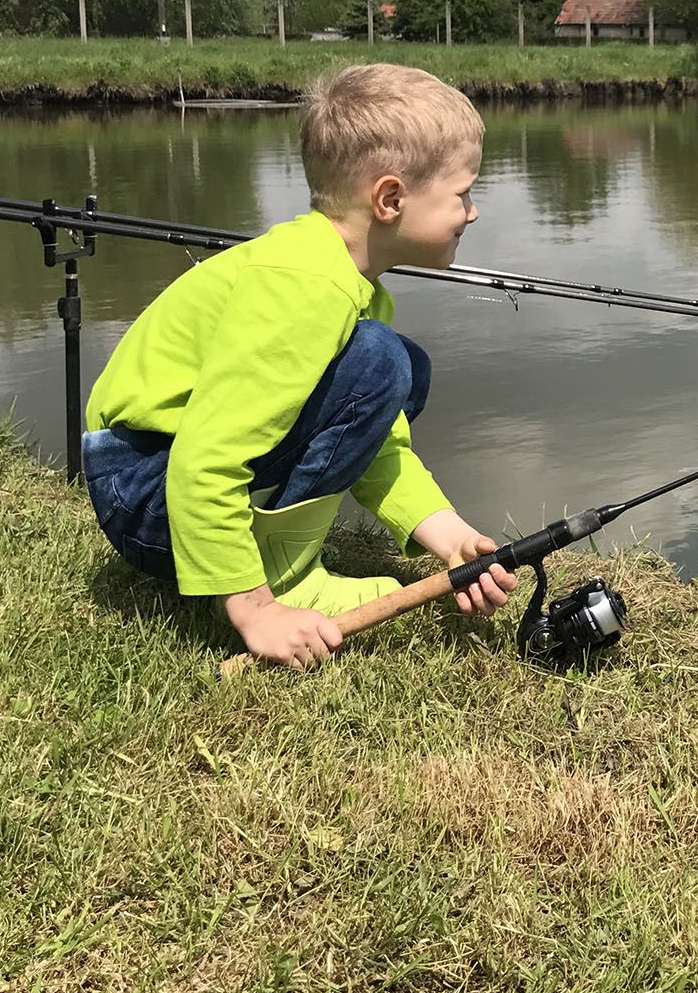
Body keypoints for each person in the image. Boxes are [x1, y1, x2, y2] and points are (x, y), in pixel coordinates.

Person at [81, 64, 515, 669]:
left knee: (391, 367)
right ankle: (281, 582)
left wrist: (451, 538)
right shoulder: (304, 289)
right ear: (390, 199)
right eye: (463, 193)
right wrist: (255, 610)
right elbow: (204, 460)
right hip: (145, 494)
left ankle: (269, 560)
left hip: (153, 481)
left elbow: (375, 440)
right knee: (384, 363)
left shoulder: (336, 275)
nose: (471, 213)